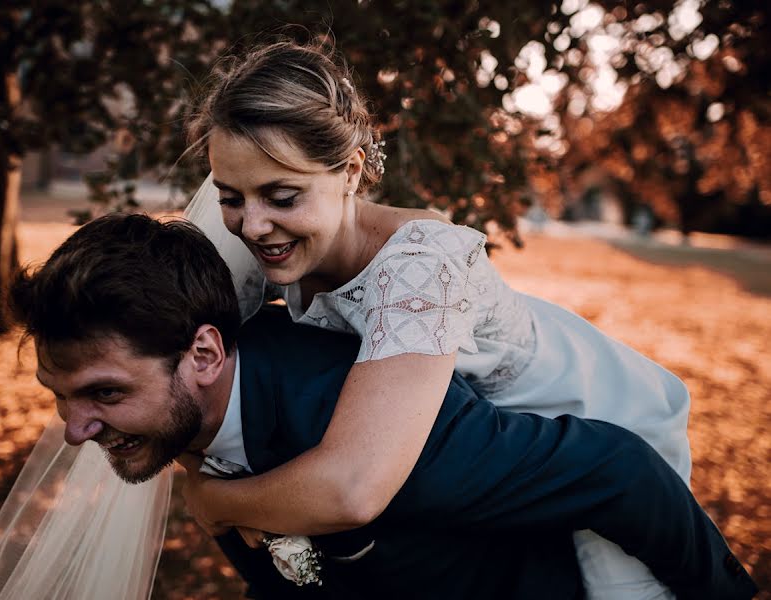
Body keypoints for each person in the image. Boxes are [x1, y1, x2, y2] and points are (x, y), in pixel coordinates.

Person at [0, 214, 754, 599]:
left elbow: (621, 472)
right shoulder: (186, 423)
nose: (75, 431)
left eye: (104, 393)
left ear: (205, 355)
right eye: (61, 398)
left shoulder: (362, 416)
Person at [178, 40, 694, 598]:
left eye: (282, 196)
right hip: (478, 451)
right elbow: (172, 362)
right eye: (230, 197)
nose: (252, 226)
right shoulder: (273, 242)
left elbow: (356, 485)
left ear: (350, 173)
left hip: (588, 420)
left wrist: (215, 500)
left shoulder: (421, 265)